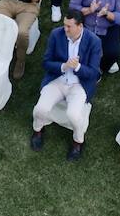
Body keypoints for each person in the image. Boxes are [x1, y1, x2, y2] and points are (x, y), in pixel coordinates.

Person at [30, 14, 103, 161]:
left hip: (79, 84)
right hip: (57, 80)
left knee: (74, 115)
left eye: (69, 26)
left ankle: (78, 142)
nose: (65, 29)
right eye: (64, 24)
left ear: (80, 26)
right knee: (40, 109)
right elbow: (46, 62)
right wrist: (64, 66)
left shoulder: (94, 41)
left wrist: (78, 67)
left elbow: (94, 73)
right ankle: (38, 130)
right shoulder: (56, 35)